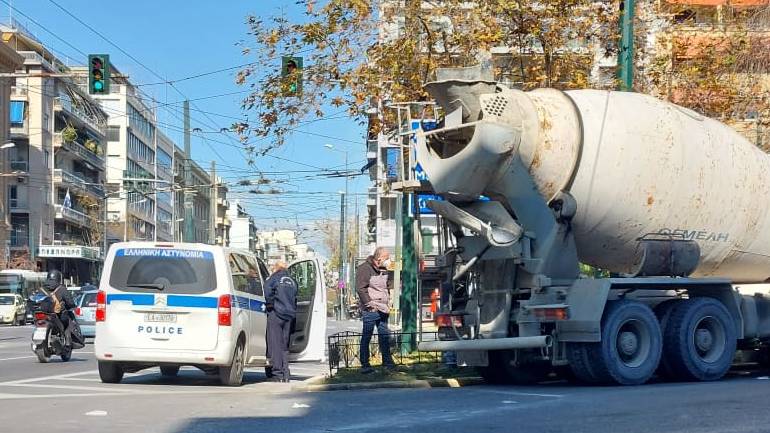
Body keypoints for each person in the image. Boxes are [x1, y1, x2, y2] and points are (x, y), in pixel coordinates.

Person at [356, 247, 396, 373]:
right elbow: (360, 288)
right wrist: (369, 304)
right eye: (387, 257)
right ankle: (365, 364)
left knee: (384, 335)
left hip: (383, 308)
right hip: (371, 309)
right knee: (367, 336)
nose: (389, 260)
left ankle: (387, 362)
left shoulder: (385, 269)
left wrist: (391, 299)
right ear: (379, 259)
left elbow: (390, 284)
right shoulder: (364, 269)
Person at [265, 261, 298, 383]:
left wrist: (271, 305)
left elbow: (267, 293)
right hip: (289, 316)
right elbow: (295, 298)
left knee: (275, 344)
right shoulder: (292, 281)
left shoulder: (274, 278)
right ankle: (286, 373)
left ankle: (277, 373)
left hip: (277, 313)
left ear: (276, 268)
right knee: (284, 345)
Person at [44, 270, 83, 348]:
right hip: (57, 314)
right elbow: (69, 301)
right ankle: (68, 342)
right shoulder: (61, 288)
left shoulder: (43, 288)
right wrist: (72, 306)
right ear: (59, 278)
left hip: (44, 314)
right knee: (67, 322)